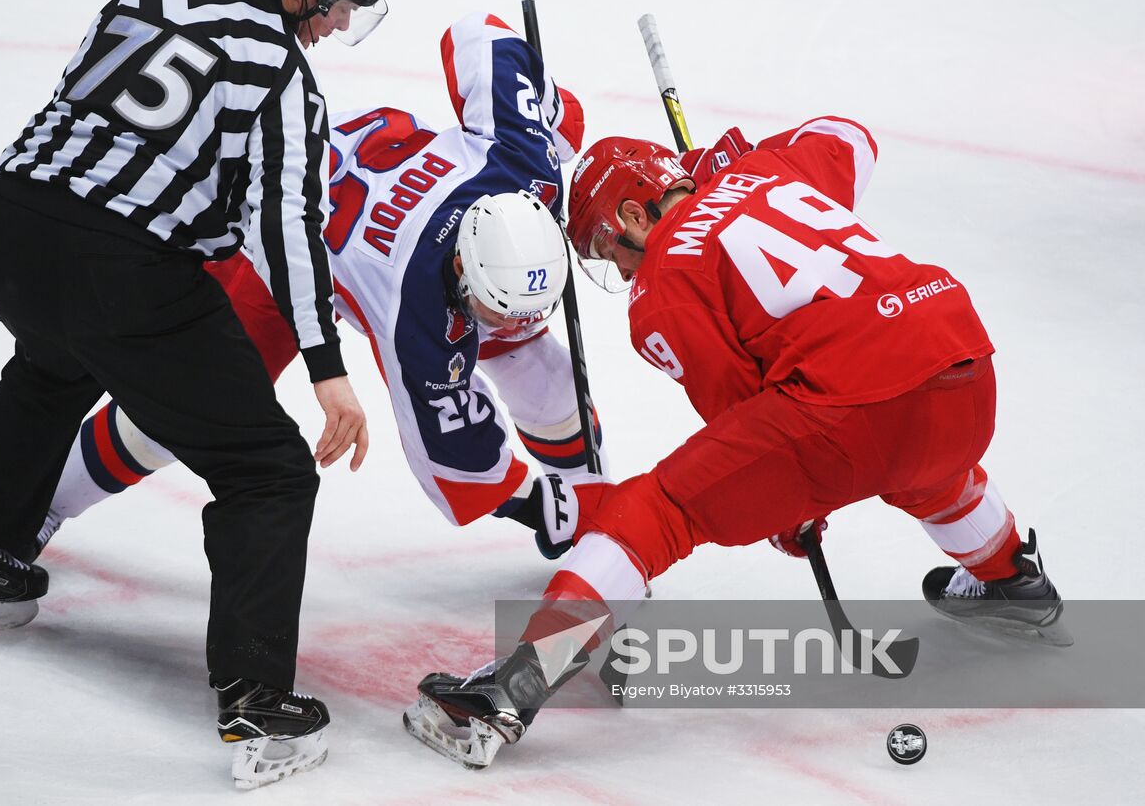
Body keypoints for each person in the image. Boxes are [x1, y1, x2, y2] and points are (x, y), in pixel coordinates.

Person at [0, 0, 391, 790]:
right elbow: (285, 226)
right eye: (335, 7)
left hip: (4, 223)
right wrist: (327, 369)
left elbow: (82, 119)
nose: (333, 27)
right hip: (118, 269)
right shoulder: (281, 73)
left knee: (52, 361)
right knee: (268, 471)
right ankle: (258, 708)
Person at [404, 117, 1068, 769]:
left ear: (636, 214)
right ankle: (1012, 577)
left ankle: (514, 687)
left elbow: (743, 418)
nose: (626, 272)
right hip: (965, 369)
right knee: (926, 465)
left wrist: (791, 510)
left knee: (656, 510)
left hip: (854, 415)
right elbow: (850, 136)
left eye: (612, 251)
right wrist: (739, 160)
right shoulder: (767, 170)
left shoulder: (660, 293)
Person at [30, 11, 606, 571]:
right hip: (286, 241)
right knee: (177, 410)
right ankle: (37, 508)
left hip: (362, 167)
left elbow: (480, 35)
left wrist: (546, 120)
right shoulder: (419, 322)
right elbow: (455, 462)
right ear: (460, 267)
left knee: (543, 370)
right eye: (489, 310)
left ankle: (594, 506)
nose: (503, 326)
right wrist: (542, 507)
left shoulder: (527, 164)